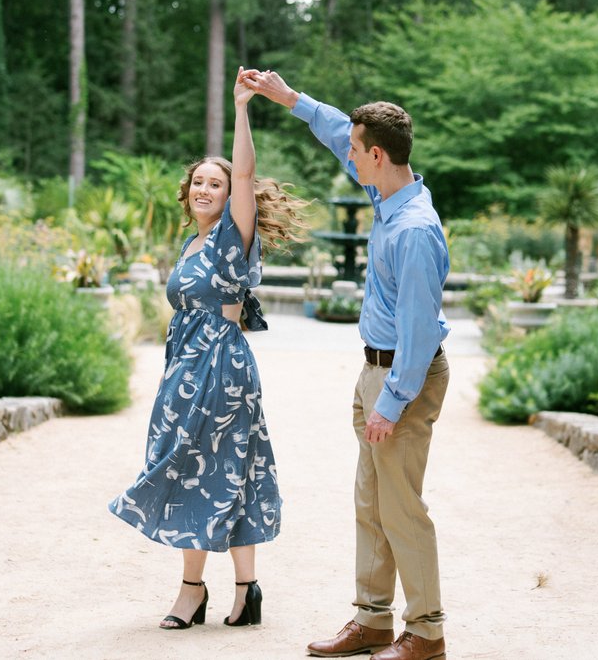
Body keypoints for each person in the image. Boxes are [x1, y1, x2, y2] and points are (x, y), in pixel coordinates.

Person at [242, 69, 451, 660]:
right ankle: (374, 621)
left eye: (358, 153)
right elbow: (339, 132)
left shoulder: (413, 230)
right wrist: (290, 100)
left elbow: (416, 334)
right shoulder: (388, 192)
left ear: (378, 155)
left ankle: (427, 633)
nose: (349, 159)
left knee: (402, 509)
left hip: (402, 378)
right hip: (376, 370)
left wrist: (389, 402)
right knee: (370, 504)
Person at [110, 67, 309, 630]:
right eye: (198, 182)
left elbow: (244, 172)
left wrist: (242, 109)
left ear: (229, 196)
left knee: (201, 466)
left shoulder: (231, 235)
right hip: (185, 368)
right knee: (207, 467)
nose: (205, 189)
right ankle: (238, 593)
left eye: (214, 184)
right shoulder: (189, 241)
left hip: (221, 366)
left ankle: (200, 591)